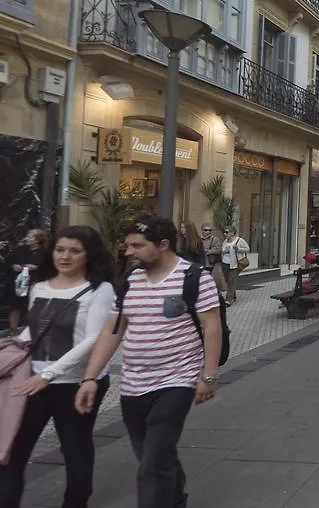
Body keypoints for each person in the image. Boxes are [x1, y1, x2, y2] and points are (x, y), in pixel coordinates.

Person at [75, 214, 222, 508]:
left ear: (163, 245)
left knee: (152, 463)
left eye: (136, 245)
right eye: (128, 245)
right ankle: (176, 498)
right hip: (133, 385)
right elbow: (112, 330)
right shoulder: (129, 279)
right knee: (153, 455)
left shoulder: (194, 278)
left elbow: (212, 327)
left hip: (176, 381)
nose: (128, 251)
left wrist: (208, 377)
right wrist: (90, 377)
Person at [0, 226, 117, 508]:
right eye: (60, 249)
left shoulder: (99, 289)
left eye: (75, 251)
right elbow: (35, 329)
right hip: (30, 380)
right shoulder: (40, 285)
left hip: (76, 384)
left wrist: (50, 374)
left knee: (75, 449)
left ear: (89, 255)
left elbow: (94, 338)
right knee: (12, 452)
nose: (65, 257)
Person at [4, 229, 48, 330]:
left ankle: (31, 330)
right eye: (27, 236)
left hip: (35, 283)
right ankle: (13, 330)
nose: (27, 238)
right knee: (15, 307)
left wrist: (36, 267)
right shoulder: (20, 249)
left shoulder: (45, 252)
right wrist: (13, 266)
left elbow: (49, 268)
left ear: (38, 240)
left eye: (30, 237)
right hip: (18, 283)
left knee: (33, 307)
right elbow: (9, 261)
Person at [220, 225, 250, 306]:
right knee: (227, 280)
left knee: (232, 281)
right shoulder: (225, 241)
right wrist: (224, 251)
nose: (225, 234)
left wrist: (238, 249)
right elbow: (222, 251)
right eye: (224, 232)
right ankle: (233, 296)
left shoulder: (239, 240)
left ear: (232, 233)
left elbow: (247, 249)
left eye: (226, 232)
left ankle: (228, 300)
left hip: (235, 264)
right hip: (225, 263)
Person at [199, 223, 225, 292]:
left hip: (209, 263)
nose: (208, 232)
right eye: (206, 230)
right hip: (199, 262)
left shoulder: (215, 239)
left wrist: (206, 251)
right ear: (202, 230)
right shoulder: (198, 239)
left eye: (210, 230)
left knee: (208, 279)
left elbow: (218, 249)